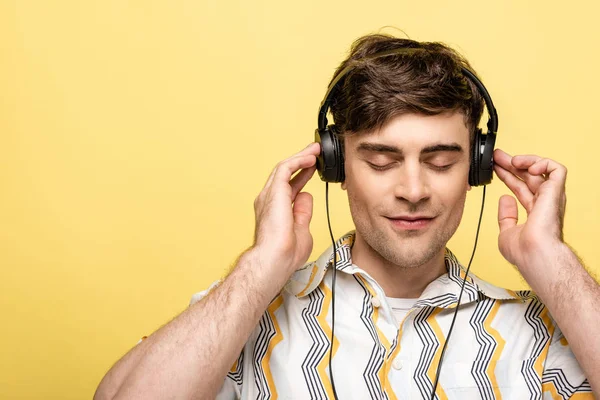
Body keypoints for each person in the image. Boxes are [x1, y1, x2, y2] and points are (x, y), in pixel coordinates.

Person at [94, 34, 598, 400]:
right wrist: (261, 265)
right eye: (381, 161)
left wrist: (554, 262)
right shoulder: (239, 317)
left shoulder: (546, 332)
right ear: (335, 166)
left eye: (441, 162)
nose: (414, 190)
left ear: (477, 166)